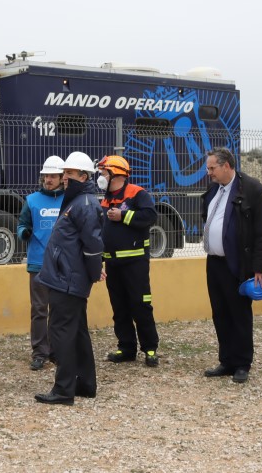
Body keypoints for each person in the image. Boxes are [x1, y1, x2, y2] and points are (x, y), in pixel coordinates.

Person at [200, 147, 262, 384]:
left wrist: (260, 266)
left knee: (239, 314)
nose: (209, 172)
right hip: (215, 263)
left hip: (238, 263)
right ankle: (227, 360)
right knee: (220, 312)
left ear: (227, 166)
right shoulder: (214, 190)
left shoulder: (251, 189)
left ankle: (242, 362)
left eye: (212, 168)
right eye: (208, 167)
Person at [33, 151, 104, 405]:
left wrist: (95, 272)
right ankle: (86, 384)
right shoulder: (77, 201)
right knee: (78, 332)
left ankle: (64, 390)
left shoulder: (84, 204)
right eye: (64, 173)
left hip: (68, 280)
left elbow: (93, 246)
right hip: (67, 278)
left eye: (69, 174)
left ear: (83, 176)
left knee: (61, 332)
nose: (64, 178)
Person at [97, 155, 160, 368]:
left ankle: (150, 349)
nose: (101, 176)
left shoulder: (137, 193)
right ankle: (126, 347)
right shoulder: (104, 198)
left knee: (140, 305)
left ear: (116, 173)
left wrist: (124, 216)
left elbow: (151, 217)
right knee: (120, 307)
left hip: (135, 264)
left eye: (104, 172)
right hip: (112, 264)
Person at [17, 155, 66, 371]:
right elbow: (21, 225)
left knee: (59, 310)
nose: (49, 179)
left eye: (53, 176)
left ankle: (57, 351)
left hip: (63, 264)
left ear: (62, 177)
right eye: (46, 176)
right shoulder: (32, 201)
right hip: (38, 263)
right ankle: (39, 353)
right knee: (39, 309)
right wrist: (24, 233)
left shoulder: (70, 200)